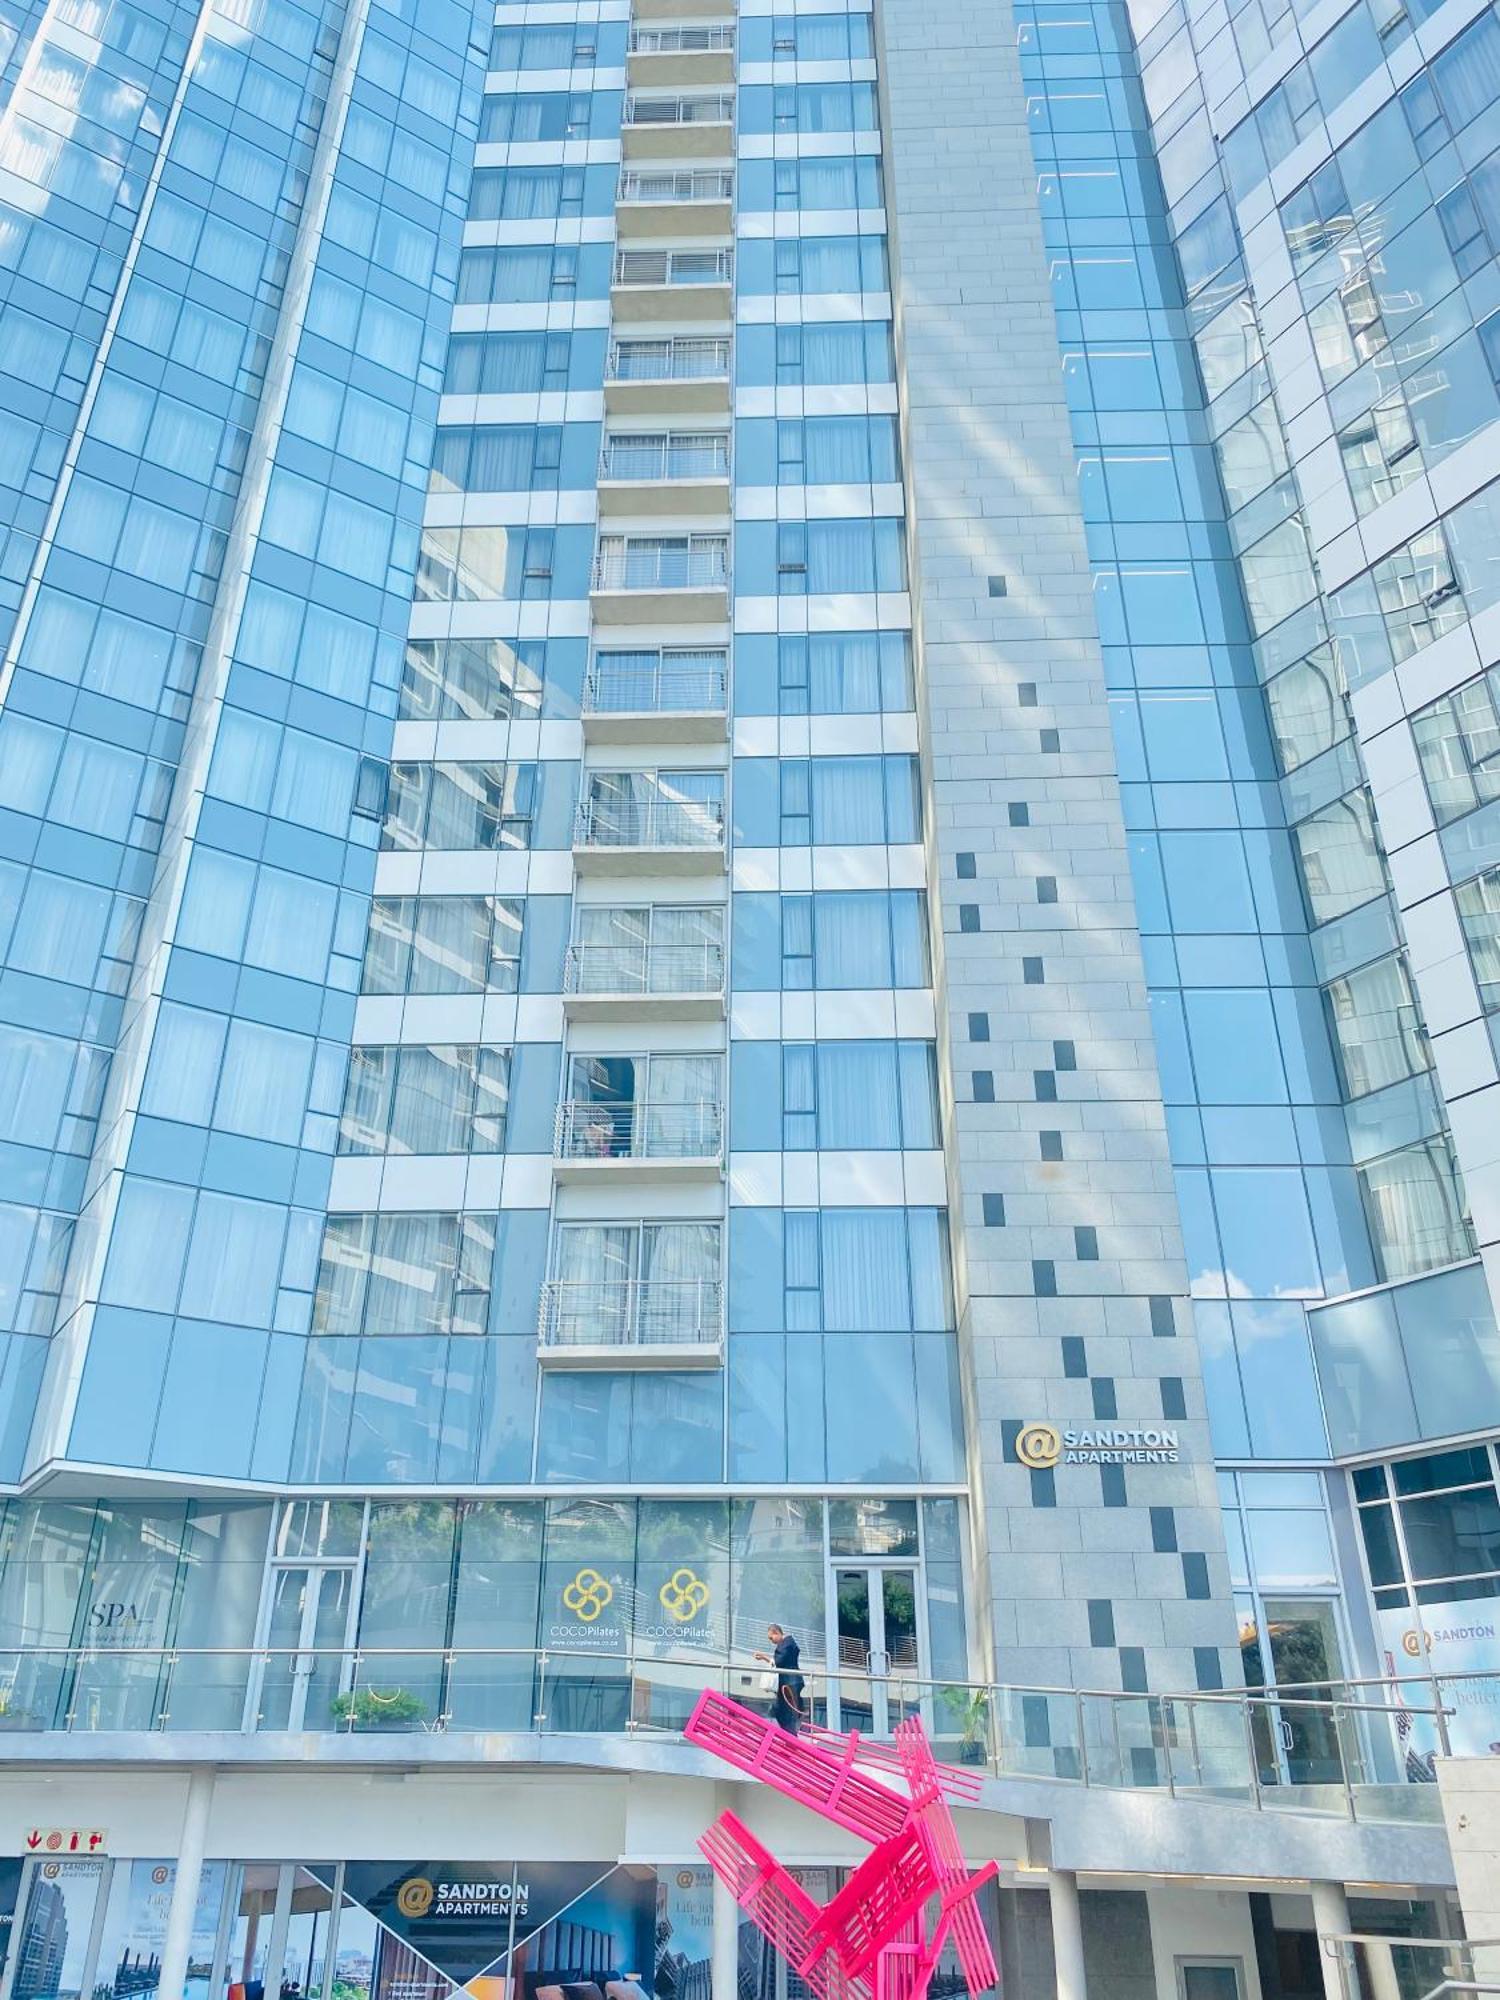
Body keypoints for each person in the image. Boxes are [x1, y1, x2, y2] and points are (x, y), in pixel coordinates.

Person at [754, 1623, 804, 1735]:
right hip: (790, 1682)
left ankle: (790, 1736)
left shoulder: (786, 1645)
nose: (771, 1641)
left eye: (771, 1638)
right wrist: (765, 1658)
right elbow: (778, 1662)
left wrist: (764, 1657)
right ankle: (789, 1735)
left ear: (776, 1633)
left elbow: (778, 1662)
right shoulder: (788, 1644)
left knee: (785, 1712)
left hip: (789, 1683)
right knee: (783, 1711)